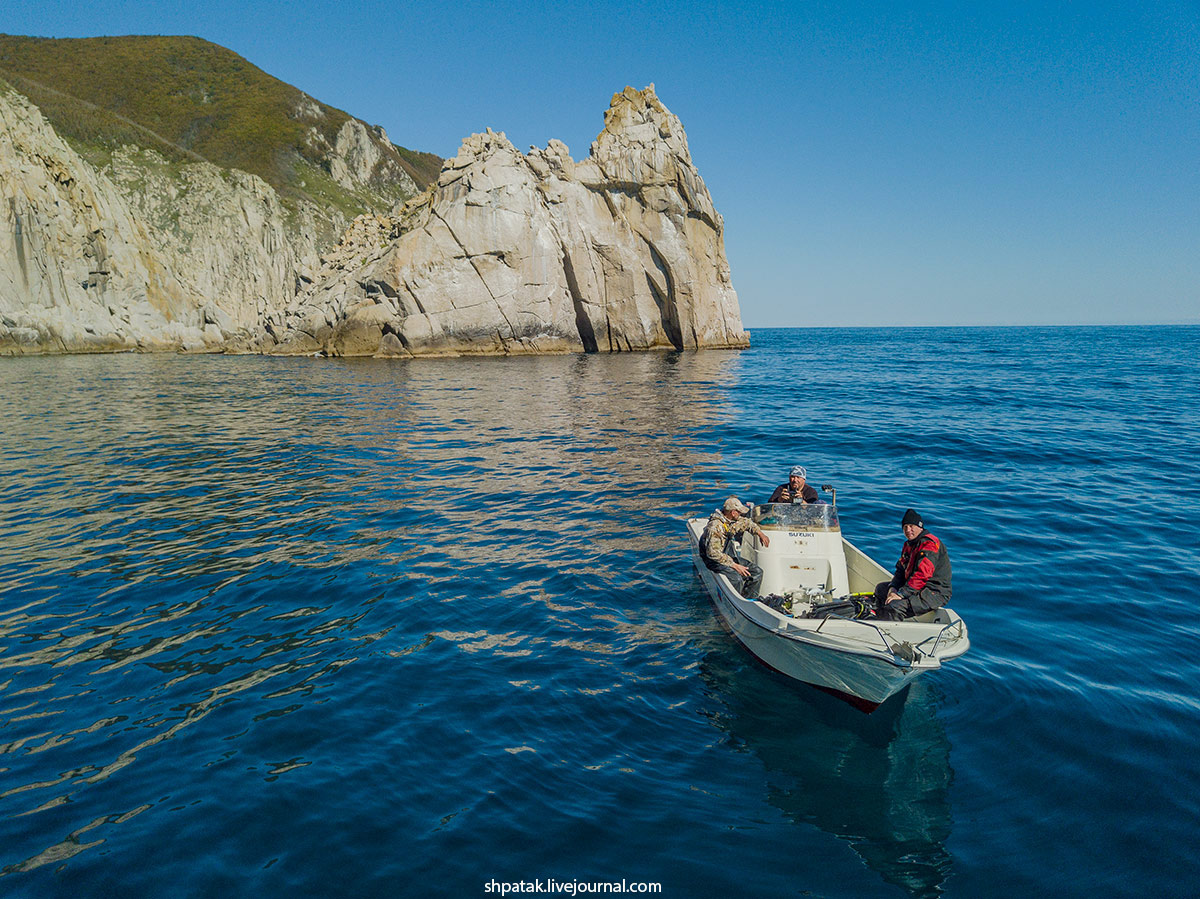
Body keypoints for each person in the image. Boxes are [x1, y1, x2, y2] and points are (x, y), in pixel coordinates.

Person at [874, 508, 952, 620]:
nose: (908, 530)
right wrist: (893, 588)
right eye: (905, 527)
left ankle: (886, 630)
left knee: (894, 606)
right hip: (915, 588)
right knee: (881, 589)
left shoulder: (929, 544)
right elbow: (900, 571)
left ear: (920, 527)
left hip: (934, 592)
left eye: (911, 526)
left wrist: (900, 595)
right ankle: (877, 617)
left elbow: (922, 575)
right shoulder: (909, 545)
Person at [700, 496, 771, 598]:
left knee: (757, 572)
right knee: (736, 579)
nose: (741, 514)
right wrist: (735, 566)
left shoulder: (732, 520)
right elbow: (713, 553)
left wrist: (760, 533)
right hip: (713, 560)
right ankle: (735, 602)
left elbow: (746, 523)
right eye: (739, 512)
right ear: (733, 513)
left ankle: (749, 600)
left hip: (726, 556)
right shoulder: (715, 527)